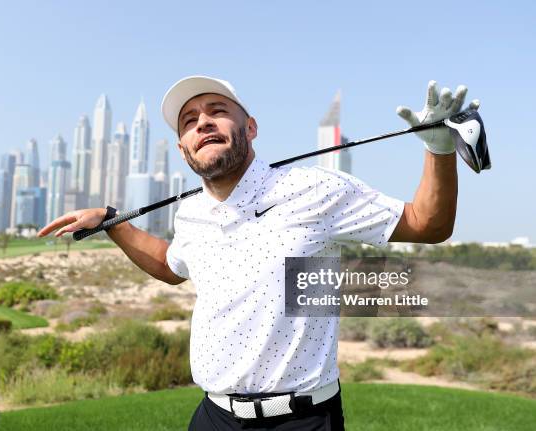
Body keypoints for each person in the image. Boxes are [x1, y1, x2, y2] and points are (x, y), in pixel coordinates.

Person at [38, 76, 480, 430]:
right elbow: (173, 266)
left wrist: (438, 150)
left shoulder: (313, 188)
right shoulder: (189, 214)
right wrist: (113, 222)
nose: (202, 123)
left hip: (303, 420)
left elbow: (428, 224)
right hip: (213, 418)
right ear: (182, 148)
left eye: (217, 112)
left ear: (250, 128)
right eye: (189, 121)